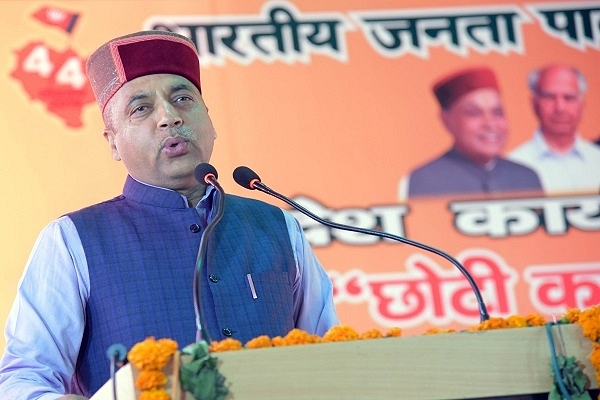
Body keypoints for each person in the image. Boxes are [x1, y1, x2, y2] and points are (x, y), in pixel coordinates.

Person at [0, 30, 339, 400]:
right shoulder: (72, 239)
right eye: (141, 108)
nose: (169, 117)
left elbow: (336, 361)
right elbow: (23, 381)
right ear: (113, 142)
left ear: (210, 120)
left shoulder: (278, 227)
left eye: (182, 98)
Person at [398, 67, 542, 200]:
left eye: (497, 113)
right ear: (446, 119)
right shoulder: (424, 180)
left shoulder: (527, 177)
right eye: (474, 113)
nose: (490, 124)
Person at [509, 64, 600, 195]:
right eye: (550, 97)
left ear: (582, 105)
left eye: (569, 98)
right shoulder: (515, 166)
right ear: (534, 103)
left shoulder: (596, 159)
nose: (560, 108)